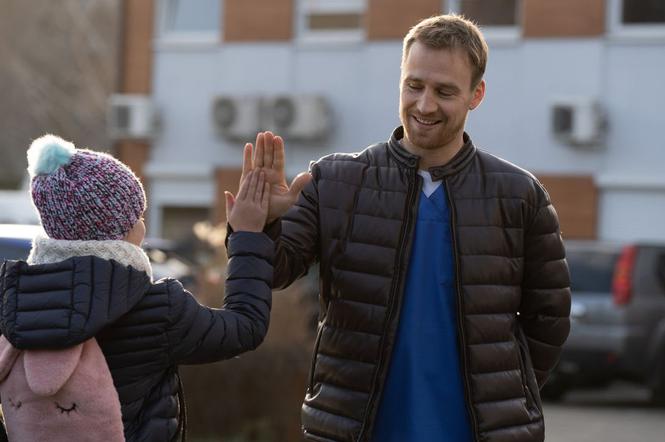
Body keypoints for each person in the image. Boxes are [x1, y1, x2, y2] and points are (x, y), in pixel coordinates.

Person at [233, 14, 571, 442]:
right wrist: (261, 226)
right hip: (357, 430)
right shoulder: (337, 181)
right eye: (414, 86)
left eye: (445, 91)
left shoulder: (520, 196)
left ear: (476, 95)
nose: (425, 105)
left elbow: (550, 319)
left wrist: (503, 394)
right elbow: (276, 271)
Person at [0, 134, 273, 441]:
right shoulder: (158, 309)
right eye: (137, 216)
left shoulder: (13, 306)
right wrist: (247, 234)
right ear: (121, 231)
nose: (143, 224)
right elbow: (245, 326)